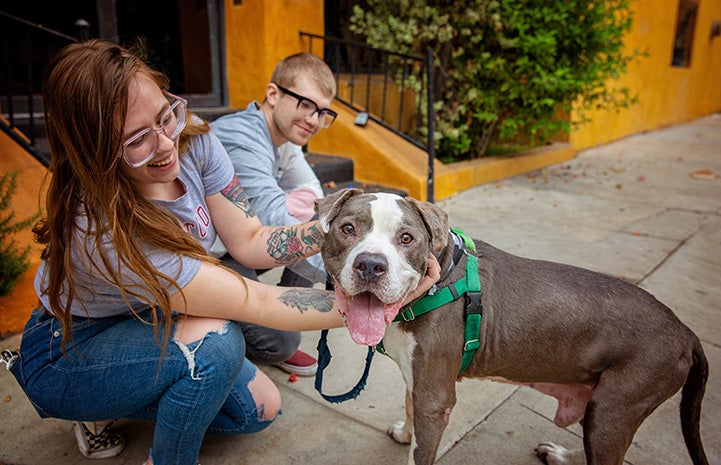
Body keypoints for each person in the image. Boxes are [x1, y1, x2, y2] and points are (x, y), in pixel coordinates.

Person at [7, 40, 439, 465]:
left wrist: (347, 227)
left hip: (156, 315)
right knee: (216, 345)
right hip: (74, 343)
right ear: (93, 153)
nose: (164, 144)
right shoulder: (102, 228)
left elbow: (250, 239)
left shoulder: (192, 138)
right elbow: (255, 299)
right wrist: (387, 297)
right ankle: (133, 434)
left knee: (260, 409)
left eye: (165, 116)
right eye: (136, 139)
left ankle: (132, 390)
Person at [210, 52, 338, 377]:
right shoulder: (242, 138)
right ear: (273, 94)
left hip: (238, 244)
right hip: (202, 258)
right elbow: (275, 224)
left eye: (323, 112)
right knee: (280, 343)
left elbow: (319, 204)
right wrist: (347, 272)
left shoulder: (286, 139)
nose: (314, 120)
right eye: (306, 105)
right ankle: (215, 332)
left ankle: (258, 314)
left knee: (310, 217)